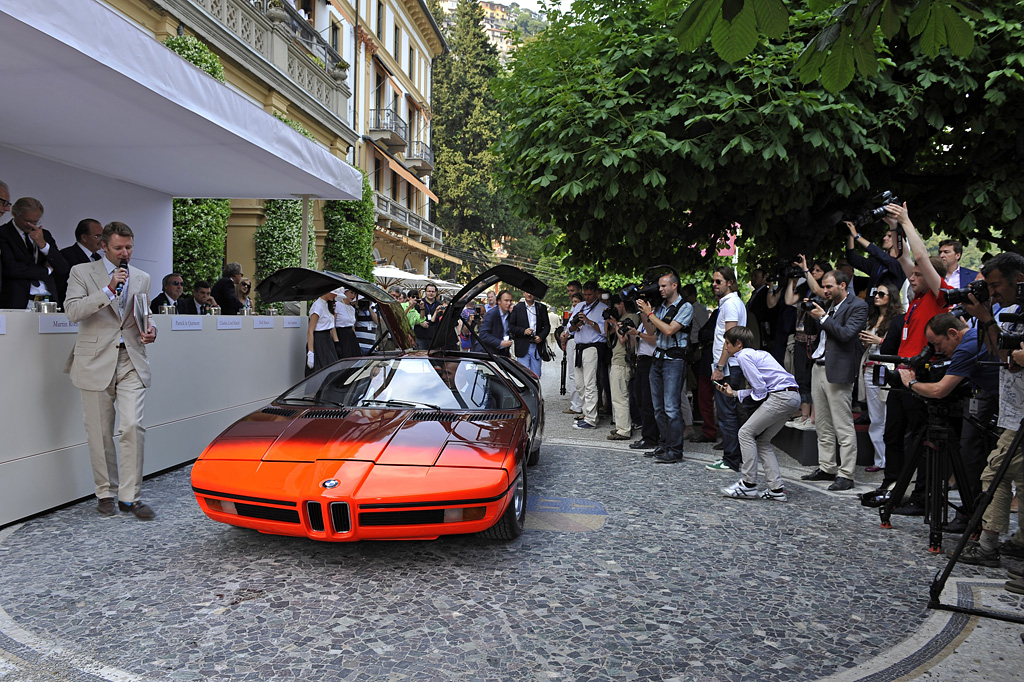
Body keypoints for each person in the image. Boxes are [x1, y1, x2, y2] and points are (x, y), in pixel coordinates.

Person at [63, 221, 158, 520]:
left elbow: (144, 311)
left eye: (129, 247)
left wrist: (151, 328)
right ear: (103, 246)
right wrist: (108, 288)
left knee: (131, 426)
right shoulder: (81, 272)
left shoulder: (142, 277)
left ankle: (130, 498)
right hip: (93, 360)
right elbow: (72, 311)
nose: (124, 253)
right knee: (100, 433)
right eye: (118, 248)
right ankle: (105, 492)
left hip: (131, 358)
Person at [870, 202, 951, 514]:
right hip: (900, 373)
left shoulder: (936, 294)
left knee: (919, 440)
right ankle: (893, 485)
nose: (912, 277)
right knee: (893, 434)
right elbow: (904, 258)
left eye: (918, 275)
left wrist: (906, 221)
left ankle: (921, 496)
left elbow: (917, 257)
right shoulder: (916, 300)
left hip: (921, 374)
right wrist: (893, 227)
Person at [957, 252, 1024, 566]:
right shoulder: (1013, 310)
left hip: (1021, 414)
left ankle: (988, 545)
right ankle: (1020, 542)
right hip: (1015, 408)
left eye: (996, 285)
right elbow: (1000, 354)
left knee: (994, 472)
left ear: (1018, 279)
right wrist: (986, 317)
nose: (993, 293)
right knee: (1022, 480)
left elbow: (1013, 360)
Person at [799, 270, 869, 490]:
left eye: (829, 287)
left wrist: (823, 317)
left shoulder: (858, 306)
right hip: (819, 368)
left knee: (843, 425)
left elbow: (846, 334)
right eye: (823, 287)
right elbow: (814, 333)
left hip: (838, 371)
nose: (825, 291)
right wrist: (810, 314)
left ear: (843, 286)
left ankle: (846, 474)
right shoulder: (826, 305)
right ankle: (827, 467)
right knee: (822, 423)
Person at [716, 326, 800, 501]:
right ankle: (776, 490)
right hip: (792, 396)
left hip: (780, 397)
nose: (725, 347)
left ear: (738, 344)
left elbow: (760, 390)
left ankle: (748, 484)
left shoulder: (743, 356)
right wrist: (735, 393)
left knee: (745, 432)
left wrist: (748, 401)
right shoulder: (759, 354)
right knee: (762, 441)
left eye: (727, 343)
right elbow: (763, 388)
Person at [637, 273, 692, 463]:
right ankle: (664, 444)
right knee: (658, 408)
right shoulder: (660, 308)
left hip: (674, 361)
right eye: (659, 286)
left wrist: (650, 314)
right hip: (658, 358)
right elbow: (652, 330)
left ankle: (675, 450)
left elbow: (669, 330)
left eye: (663, 286)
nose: (660, 289)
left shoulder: (685, 307)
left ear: (674, 285)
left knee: (671, 407)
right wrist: (644, 312)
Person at [857, 281, 903, 472]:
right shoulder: (872, 318)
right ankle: (880, 459)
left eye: (882, 294)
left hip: (888, 369)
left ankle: (888, 459)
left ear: (890, 297)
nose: (877, 296)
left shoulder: (898, 320)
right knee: (875, 416)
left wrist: (880, 341)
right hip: (870, 368)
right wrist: (867, 342)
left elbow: (899, 346)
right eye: (876, 293)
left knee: (888, 414)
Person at [708, 267, 747, 472]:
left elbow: (730, 338)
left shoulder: (731, 304)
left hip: (728, 367)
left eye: (718, 281)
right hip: (729, 366)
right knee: (727, 413)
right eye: (714, 281)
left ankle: (731, 459)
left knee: (727, 414)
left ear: (730, 283)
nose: (714, 285)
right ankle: (732, 457)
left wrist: (720, 367)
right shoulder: (730, 303)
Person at [0, 197, 69, 309]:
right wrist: (47, 270)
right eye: (27, 221)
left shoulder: (44, 235)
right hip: (18, 301)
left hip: (48, 301)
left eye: (35, 222)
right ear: (15, 214)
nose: (31, 225)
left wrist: (43, 245)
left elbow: (62, 267)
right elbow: (11, 268)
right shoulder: (3, 233)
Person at [567, 281, 608, 430]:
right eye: (585, 294)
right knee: (579, 383)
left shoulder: (603, 308)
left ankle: (591, 418)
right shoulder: (579, 306)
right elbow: (569, 329)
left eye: (590, 294)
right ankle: (586, 413)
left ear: (596, 293)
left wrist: (589, 322)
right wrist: (576, 325)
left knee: (590, 383)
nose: (587, 297)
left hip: (593, 347)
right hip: (579, 346)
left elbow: (604, 332)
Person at [604, 296, 639, 441]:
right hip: (617, 359)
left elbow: (623, 339)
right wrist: (608, 321)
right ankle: (621, 425)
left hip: (623, 361)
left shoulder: (631, 317)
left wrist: (614, 323)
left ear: (622, 304)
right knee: (617, 396)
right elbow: (608, 335)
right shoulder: (623, 317)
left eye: (615, 305)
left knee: (621, 396)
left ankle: (624, 430)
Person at [57, 218, 104, 303]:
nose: (102, 240)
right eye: (97, 236)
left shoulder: (98, 258)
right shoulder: (66, 255)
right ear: (84, 237)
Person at [508, 291, 551, 375]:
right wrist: (523, 331)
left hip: (536, 346)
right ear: (523, 293)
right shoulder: (517, 308)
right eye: (526, 292)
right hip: (522, 345)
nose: (529, 294)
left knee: (536, 375)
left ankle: (535, 388)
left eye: (531, 292)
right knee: (523, 375)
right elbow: (511, 326)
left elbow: (547, 326)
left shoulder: (541, 307)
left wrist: (541, 337)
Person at [306, 289, 339, 375]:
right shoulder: (317, 306)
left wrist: (336, 342)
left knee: (331, 371)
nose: (335, 296)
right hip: (319, 342)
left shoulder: (328, 304)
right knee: (320, 372)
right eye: (334, 293)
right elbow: (310, 330)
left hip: (327, 341)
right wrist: (311, 353)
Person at [478, 290, 514, 357]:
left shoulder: (509, 315)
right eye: (506, 300)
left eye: (510, 301)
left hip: (502, 353)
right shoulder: (492, 314)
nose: (509, 303)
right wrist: (500, 343)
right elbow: (483, 335)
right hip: (488, 353)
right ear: (499, 301)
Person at [413, 283, 443, 350]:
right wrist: (420, 323)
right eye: (429, 291)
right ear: (425, 292)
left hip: (435, 338)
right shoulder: (419, 303)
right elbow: (412, 319)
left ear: (436, 293)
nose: (431, 293)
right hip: (421, 336)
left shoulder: (440, 304)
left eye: (433, 291)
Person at [334, 288, 361, 358]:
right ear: (345, 292)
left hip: (351, 336)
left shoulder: (352, 308)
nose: (353, 295)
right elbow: (332, 325)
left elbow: (352, 326)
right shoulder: (337, 305)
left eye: (355, 294)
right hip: (341, 335)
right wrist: (336, 341)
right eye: (351, 292)